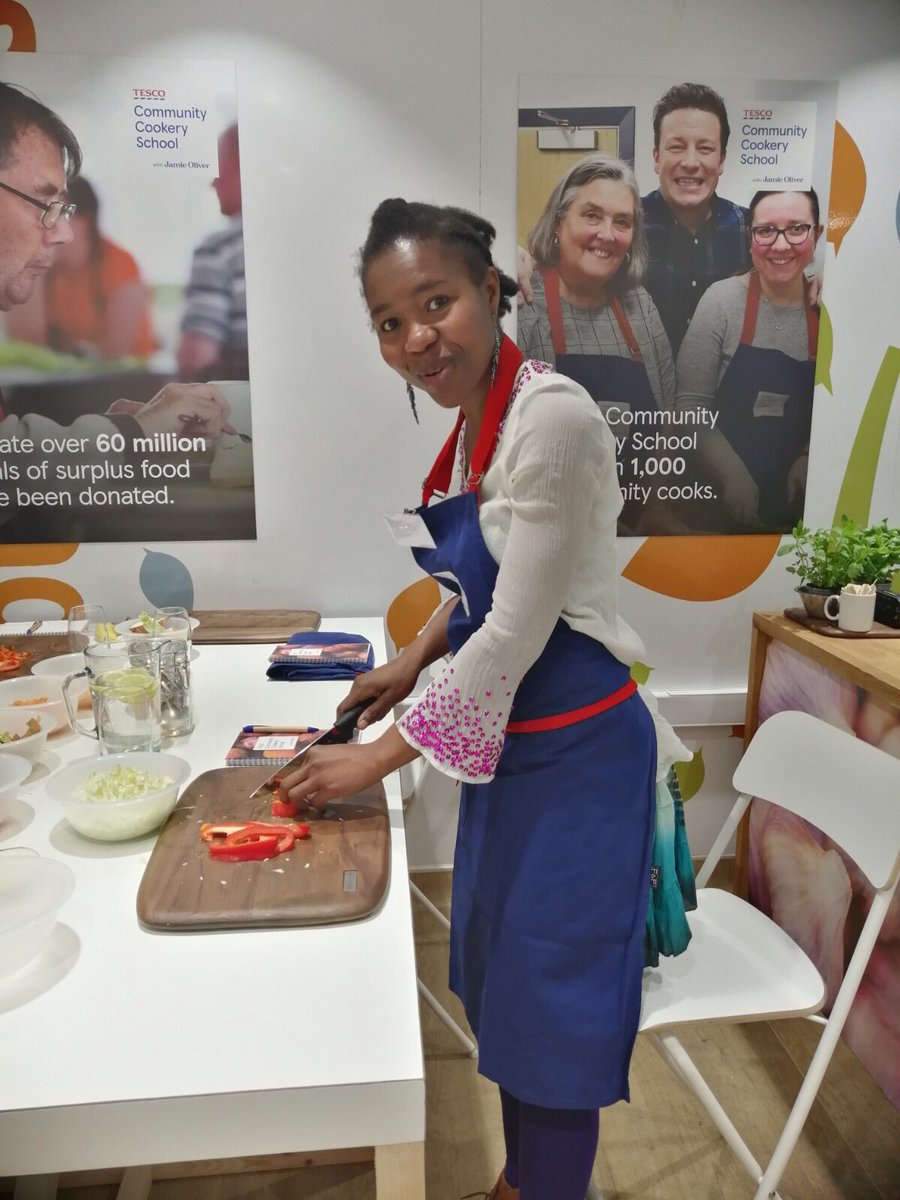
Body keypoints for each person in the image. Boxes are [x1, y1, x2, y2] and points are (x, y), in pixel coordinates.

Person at [276, 198, 691, 1200]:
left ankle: (546, 1188)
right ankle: (528, 1182)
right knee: (508, 973)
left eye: (437, 303)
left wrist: (376, 757)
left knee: (552, 993)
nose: (417, 337)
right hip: (506, 745)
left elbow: (513, 632)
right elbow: (480, 593)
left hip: (578, 755)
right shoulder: (477, 424)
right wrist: (409, 660)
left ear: (492, 292)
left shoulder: (549, 420)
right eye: (389, 321)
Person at [0, 82, 230, 532]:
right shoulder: (37, 275)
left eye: (65, 213)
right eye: (45, 205)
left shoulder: (118, 266)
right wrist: (133, 433)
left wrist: (122, 432)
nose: (62, 233)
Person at [517, 152, 682, 535]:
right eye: (591, 216)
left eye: (621, 222)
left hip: (634, 528)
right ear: (559, 222)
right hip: (547, 531)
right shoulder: (524, 304)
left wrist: (652, 508)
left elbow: (670, 413)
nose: (607, 235)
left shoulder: (638, 304)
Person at [674, 188, 822, 532]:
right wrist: (732, 475)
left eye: (797, 228)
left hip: (798, 518)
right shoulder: (721, 302)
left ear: (818, 234)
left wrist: (808, 456)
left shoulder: (829, 309)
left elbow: (843, 408)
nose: (781, 245)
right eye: (766, 230)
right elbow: (689, 407)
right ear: (750, 238)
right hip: (711, 505)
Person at [640, 82, 751, 353]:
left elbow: (787, 284)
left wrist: (815, 285)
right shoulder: (624, 225)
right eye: (676, 147)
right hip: (640, 389)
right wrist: (522, 258)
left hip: (727, 392)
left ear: (722, 160)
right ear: (656, 156)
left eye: (705, 149)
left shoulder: (751, 228)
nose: (690, 162)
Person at [6, 175, 156, 359]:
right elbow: (25, 349)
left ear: (86, 221)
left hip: (128, 382)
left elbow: (115, 356)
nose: (46, 223)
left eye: (58, 212)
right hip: (61, 382)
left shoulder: (120, 265)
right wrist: (35, 265)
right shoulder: (49, 268)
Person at [176, 123, 248, 381]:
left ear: (246, 170)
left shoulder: (218, 250)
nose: (213, 183)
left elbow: (196, 359)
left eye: (220, 169)